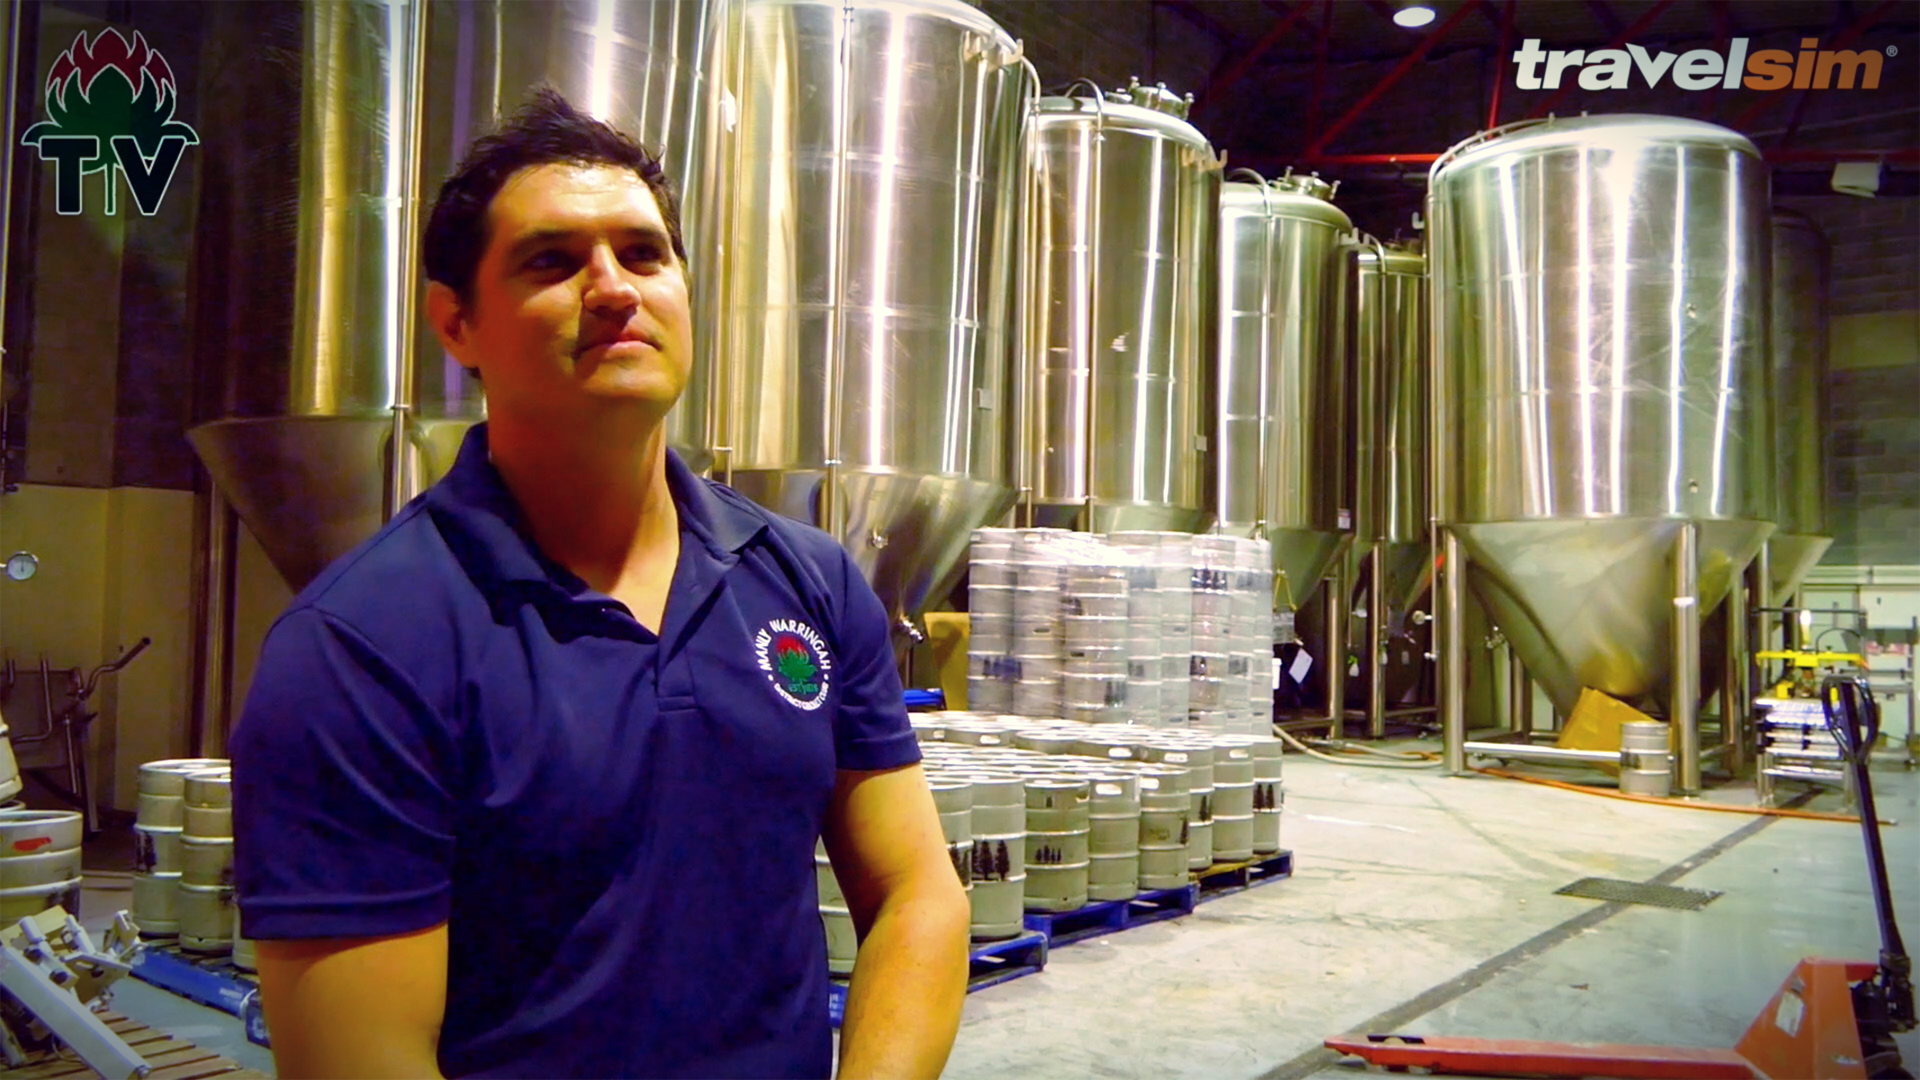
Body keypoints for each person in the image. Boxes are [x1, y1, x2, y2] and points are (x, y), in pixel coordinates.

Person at [231, 87, 970, 1080]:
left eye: (644, 254)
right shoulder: (360, 645)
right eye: (553, 261)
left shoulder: (808, 580)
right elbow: (362, 1059)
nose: (614, 288)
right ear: (456, 324)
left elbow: (919, 891)